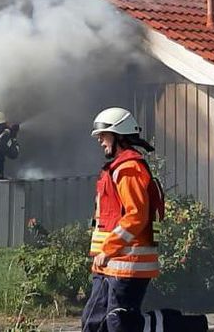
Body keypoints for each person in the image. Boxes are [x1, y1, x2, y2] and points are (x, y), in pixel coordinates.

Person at [82, 107, 166, 332]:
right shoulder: (117, 169)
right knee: (94, 323)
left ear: (119, 134)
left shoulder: (129, 170)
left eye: (103, 135)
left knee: (120, 324)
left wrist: (108, 249)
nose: (100, 140)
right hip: (110, 264)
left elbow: (136, 216)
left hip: (126, 264)